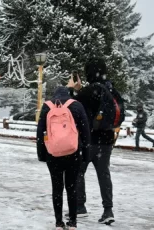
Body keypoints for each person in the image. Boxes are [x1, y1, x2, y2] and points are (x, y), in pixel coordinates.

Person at [66, 57, 116, 224]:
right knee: (104, 174)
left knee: (78, 172)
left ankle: (80, 207)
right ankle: (108, 210)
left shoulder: (86, 93)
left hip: (88, 140)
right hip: (107, 141)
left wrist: (73, 90)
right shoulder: (111, 90)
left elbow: (71, 109)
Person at [37, 86, 90, 230]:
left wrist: (42, 154)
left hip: (53, 154)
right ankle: (72, 222)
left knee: (57, 188)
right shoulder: (76, 105)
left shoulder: (47, 106)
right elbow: (85, 131)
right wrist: (85, 153)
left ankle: (59, 223)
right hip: (73, 152)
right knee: (72, 188)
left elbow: (41, 131)